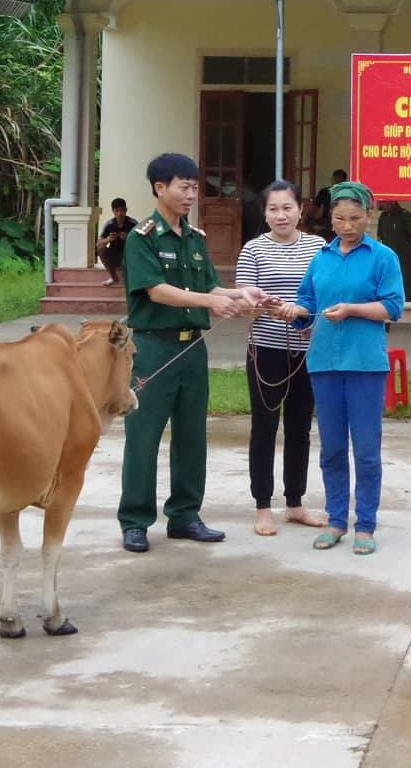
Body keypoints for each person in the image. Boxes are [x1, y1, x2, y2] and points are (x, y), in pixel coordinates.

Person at [118, 153, 269, 553]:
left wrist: (240, 293)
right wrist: (209, 301)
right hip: (152, 347)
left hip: (192, 349)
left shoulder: (195, 239)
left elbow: (212, 288)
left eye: (195, 187)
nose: (191, 195)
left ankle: (185, 515)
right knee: (143, 435)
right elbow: (156, 291)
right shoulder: (142, 238)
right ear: (159, 187)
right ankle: (135, 520)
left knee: (191, 436)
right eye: (183, 187)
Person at [271, 181, 403, 556]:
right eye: (340, 218)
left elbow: (392, 307)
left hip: (365, 365)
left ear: (369, 216)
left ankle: (365, 524)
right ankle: (335, 520)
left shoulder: (382, 257)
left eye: (356, 218)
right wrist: (295, 311)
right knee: (330, 448)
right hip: (324, 362)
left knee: (365, 449)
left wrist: (353, 309)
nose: (347, 226)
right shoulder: (322, 257)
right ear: (330, 218)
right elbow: (307, 301)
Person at [234, 180, 329, 538]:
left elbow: (325, 294)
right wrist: (273, 309)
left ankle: (295, 504)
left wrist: (303, 312)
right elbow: (246, 303)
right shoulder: (253, 250)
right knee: (264, 427)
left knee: (300, 429)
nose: (281, 215)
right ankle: (262, 506)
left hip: (307, 351)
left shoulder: (319, 247)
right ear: (265, 213)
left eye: (287, 207)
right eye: (273, 209)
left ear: (300, 209)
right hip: (266, 351)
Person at [377, 200, 411, 302]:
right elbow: (380, 236)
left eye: (383, 202)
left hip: (404, 256)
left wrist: (402, 245)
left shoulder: (406, 216)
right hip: (387, 256)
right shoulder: (383, 217)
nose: (381, 205)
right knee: (387, 279)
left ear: (392, 202)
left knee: (406, 281)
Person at [97, 198, 136, 287]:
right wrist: (108, 239)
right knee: (101, 249)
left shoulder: (133, 223)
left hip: (129, 256)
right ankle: (113, 277)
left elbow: (141, 242)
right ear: (113, 211)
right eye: (116, 211)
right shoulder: (109, 224)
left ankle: (132, 277)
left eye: (122, 210)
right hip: (114, 255)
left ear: (126, 210)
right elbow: (98, 243)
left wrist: (128, 238)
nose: (119, 213)